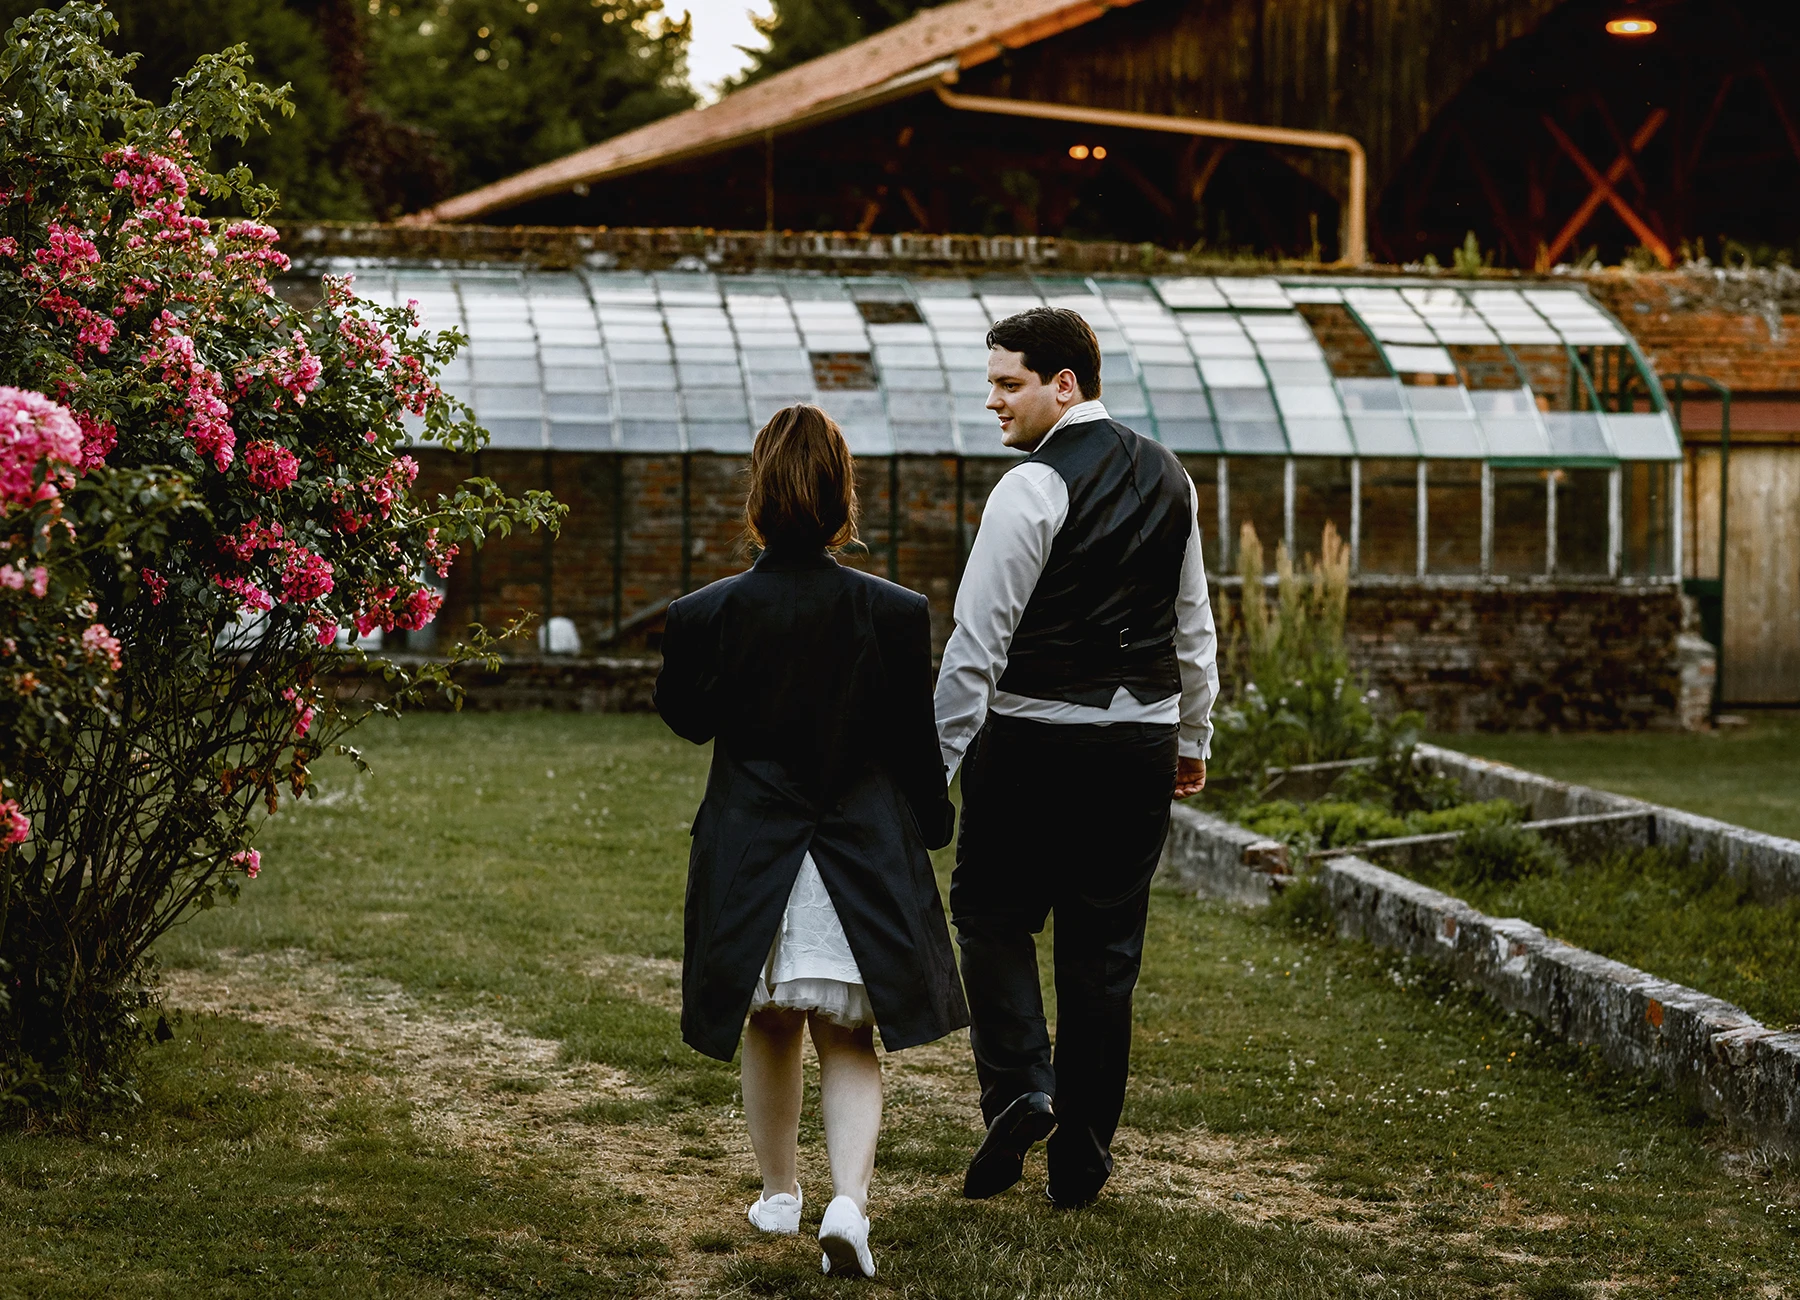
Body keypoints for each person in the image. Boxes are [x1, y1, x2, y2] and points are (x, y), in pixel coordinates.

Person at [654, 403, 966, 1278]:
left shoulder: (705, 613)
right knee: (848, 1039)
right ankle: (849, 1204)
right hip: (855, 859)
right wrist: (933, 828)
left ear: (758, 493)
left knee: (770, 1019)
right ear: (842, 497)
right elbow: (914, 743)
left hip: (754, 858)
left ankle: (780, 1191)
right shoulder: (894, 613)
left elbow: (686, 718)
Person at [935, 306, 1217, 1209]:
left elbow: (976, 645)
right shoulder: (1175, 477)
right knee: (1104, 951)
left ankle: (1022, 1085)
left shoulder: (1030, 488)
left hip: (1031, 742)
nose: (993, 402)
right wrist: (1190, 736)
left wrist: (931, 768)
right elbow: (1195, 628)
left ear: (1066, 384)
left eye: (1007, 383)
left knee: (988, 914)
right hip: (1138, 745)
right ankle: (1083, 1155)